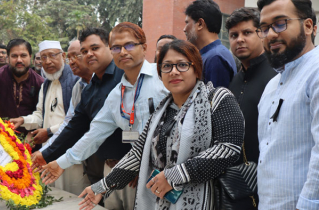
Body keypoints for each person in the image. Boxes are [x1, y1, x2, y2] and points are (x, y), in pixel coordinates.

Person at [77, 39, 244, 210]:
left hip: (207, 201)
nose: (174, 72)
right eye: (167, 66)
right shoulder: (161, 112)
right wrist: (102, 187)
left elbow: (228, 148)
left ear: (196, 69)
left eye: (182, 65)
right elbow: (137, 155)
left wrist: (174, 176)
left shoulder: (217, 99)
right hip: (161, 201)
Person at [39, 22, 169, 210]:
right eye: (117, 47)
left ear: (144, 47)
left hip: (171, 175)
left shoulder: (164, 77)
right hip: (133, 174)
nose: (123, 52)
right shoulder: (116, 95)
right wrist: (61, 163)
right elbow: (94, 135)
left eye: (129, 45)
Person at [29, 28, 129, 200]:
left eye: (95, 48)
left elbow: (144, 125)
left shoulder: (126, 77)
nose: (89, 54)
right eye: (84, 51)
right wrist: (45, 154)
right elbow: (74, 127)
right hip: (108, 167)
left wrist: (135, 164)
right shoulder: (89, 89)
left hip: (131, 169)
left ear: (110, 47)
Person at [256, 0, 319, 209]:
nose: (271, 34)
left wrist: (307, 204)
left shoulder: (315, 71)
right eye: (264, 28)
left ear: (308, 26)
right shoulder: (272, 86)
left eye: (280, 23)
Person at [226, 8, 276, 167]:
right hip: (236, 182)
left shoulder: (277, 77)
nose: (239, 39)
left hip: (270, 178)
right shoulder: (234, 81)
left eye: (246, 33)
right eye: (234, 35)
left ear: (262, 34)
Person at [9, 40, 79, 148]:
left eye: (52, 55)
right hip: (48, 149)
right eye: (43, 57)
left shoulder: (76, 81)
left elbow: (77, 119)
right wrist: (23, 120)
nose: (48, 61)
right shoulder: (46, 84)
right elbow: (40, 116)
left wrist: (49, 132)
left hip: (71, 148)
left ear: (63, 56)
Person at [0, 39, 44, 139]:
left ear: (30, 57)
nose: (19, 60)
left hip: (31, 139)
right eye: (14, 56)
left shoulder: (39, 82)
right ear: (8, 58)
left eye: (23, 55)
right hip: (2, 137)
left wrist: (33, 134)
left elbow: (42, 114)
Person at [184, 0, 237, 87]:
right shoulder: (210, 55)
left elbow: (214, 99)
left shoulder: (216, 57)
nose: (184, 29)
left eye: (187, 23)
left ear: (200, 24)